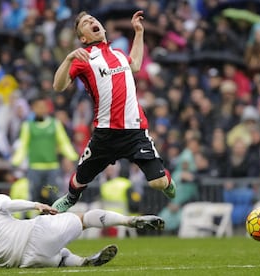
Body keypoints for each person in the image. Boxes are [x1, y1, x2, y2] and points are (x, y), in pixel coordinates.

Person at [51, 10, 176, 212]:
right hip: (105, 133)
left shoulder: (118, 54)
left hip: (134, 131)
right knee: (79, 179)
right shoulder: (83, 58)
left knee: (158, 184)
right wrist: (68, 59)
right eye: (85, 22)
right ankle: (71, 198)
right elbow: (58, 86)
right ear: (83, 37)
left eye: (92, 19)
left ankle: (168, 182)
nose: (91, 20)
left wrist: (139, 32)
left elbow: (135, 64)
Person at [0, 190, 164, 270]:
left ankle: (83, 262)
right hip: (35, 233)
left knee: (62, 257)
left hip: (27, 262)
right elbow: (9, 205)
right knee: (83, 219)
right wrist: (35, 205)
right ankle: (130, 221)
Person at [11, 96, 78, 205]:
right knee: (33, 198)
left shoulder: (55, 124)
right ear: (33, 109)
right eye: (38, 107)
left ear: (47, 108)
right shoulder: (28, 126)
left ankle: (56, 220)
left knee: (54, 196)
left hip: (52, 168)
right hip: (34, 168)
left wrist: (73, 157)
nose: (41, 109)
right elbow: (22, 145)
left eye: (43, 107)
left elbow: (64, 142)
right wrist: (16, 161)